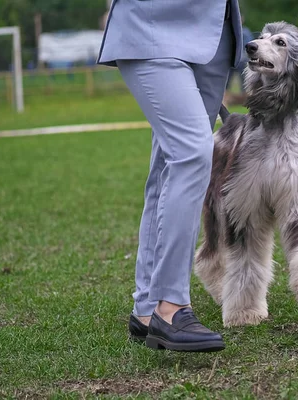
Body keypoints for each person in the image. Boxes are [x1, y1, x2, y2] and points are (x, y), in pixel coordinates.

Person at [97, 0, 243, 352]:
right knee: (193, 152)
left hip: (213, 33)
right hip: (150, 24)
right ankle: (171, 306)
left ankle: (146, 308)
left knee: (168, 164)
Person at [224, 15, 254, 105]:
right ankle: (224, 99)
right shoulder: (229, 31)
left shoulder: (245, 32)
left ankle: (245, 99)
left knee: (244, 82)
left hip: (241, 60)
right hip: (231, 60)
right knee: (226, 81)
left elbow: (249, 46)